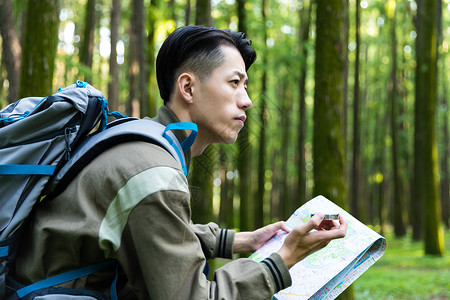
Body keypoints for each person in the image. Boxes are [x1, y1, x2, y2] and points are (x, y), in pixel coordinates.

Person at [13, 25, 347, 299]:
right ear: (188, 87)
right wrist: (285, 259)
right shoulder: (154, 171)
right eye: (234, 83)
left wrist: (241, 241)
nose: (246, 101)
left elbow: (150, 232)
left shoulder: (142, 141)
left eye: (246, 85)